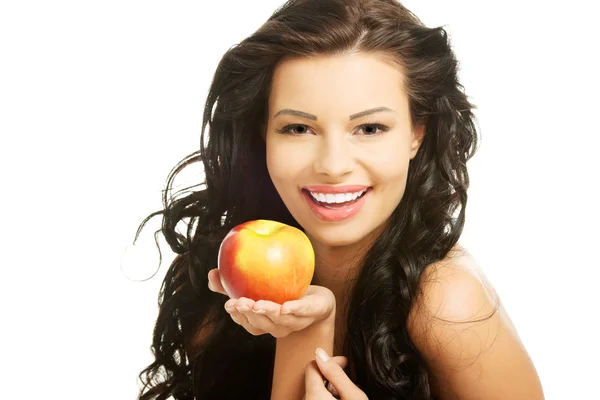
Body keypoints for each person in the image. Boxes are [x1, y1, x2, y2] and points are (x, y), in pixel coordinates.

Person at [136, 0, 544, 399]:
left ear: (417, 134)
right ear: (263, 133)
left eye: (369, 128)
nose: (332, 166)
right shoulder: (219, 296)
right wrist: (308, 325)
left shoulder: (445, 304)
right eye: (298, 128)